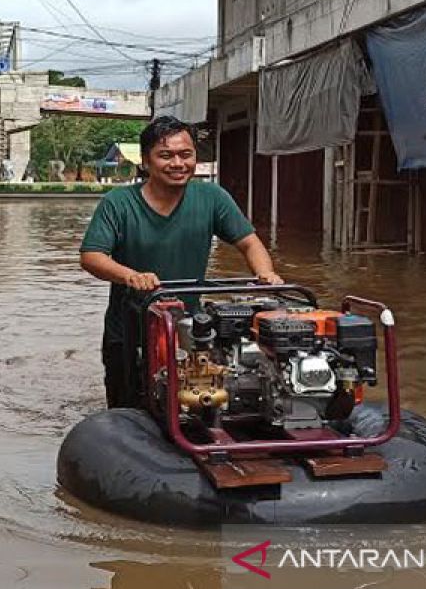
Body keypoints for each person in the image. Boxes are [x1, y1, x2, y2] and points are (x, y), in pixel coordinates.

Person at [79, 116, 283, 408]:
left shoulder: (212, 196)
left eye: (185, 155)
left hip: (190, 327)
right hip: (129, 329)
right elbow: (91, 256)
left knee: (200, 400)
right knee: (128, 406)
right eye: (166, 155)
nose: (178, 163)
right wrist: (131, 276)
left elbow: (249, 242)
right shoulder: (118, 202)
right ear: (146, 162)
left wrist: (266, 274)